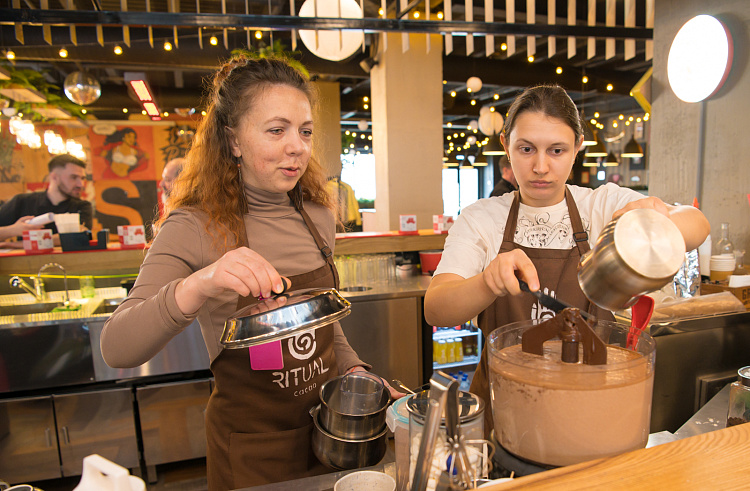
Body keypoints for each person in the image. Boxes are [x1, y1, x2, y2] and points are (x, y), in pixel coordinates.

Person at [100, 56, 401, 490]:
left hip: (329, 441)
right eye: (277, 130)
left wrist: (354, 370)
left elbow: (321, 326)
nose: (297, 146)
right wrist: (200, 283)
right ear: (233, 139)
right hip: (251, 453)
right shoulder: (193, 227)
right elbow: (117, 347)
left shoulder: (316, 215)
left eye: (305, 131)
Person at [424, 84, 710, 436]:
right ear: (506, 147)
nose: (540, 167)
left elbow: (698, 225)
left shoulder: (600, 207)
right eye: (526, 149)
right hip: (508, 412)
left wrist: (659, 217)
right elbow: (436, 308)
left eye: (556, 150)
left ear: (577, 148)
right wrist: (486, 282)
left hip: (592, 408)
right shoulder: (481, 218)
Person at [0, 154, 93, 239]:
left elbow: (80, 237)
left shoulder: (83, 206)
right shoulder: (22, 201)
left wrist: (14, 245)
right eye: (73, 177)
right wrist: (12, 230)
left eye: (82, 178)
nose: (80, 184)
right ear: (54, 177)